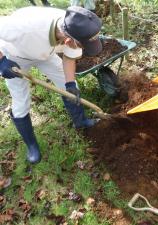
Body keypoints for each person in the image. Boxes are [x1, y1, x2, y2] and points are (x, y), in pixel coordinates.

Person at [0, 6, 102, 164]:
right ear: (68, 40)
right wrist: (2, 61)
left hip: (46, 54)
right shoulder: (23, 27)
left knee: (71, 86)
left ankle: (80, 121)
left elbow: (69, 58)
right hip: (15, 56)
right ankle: (32, 146)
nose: (81, 49)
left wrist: (69, 84)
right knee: (21, 101)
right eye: (81, 46)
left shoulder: (74, 28)